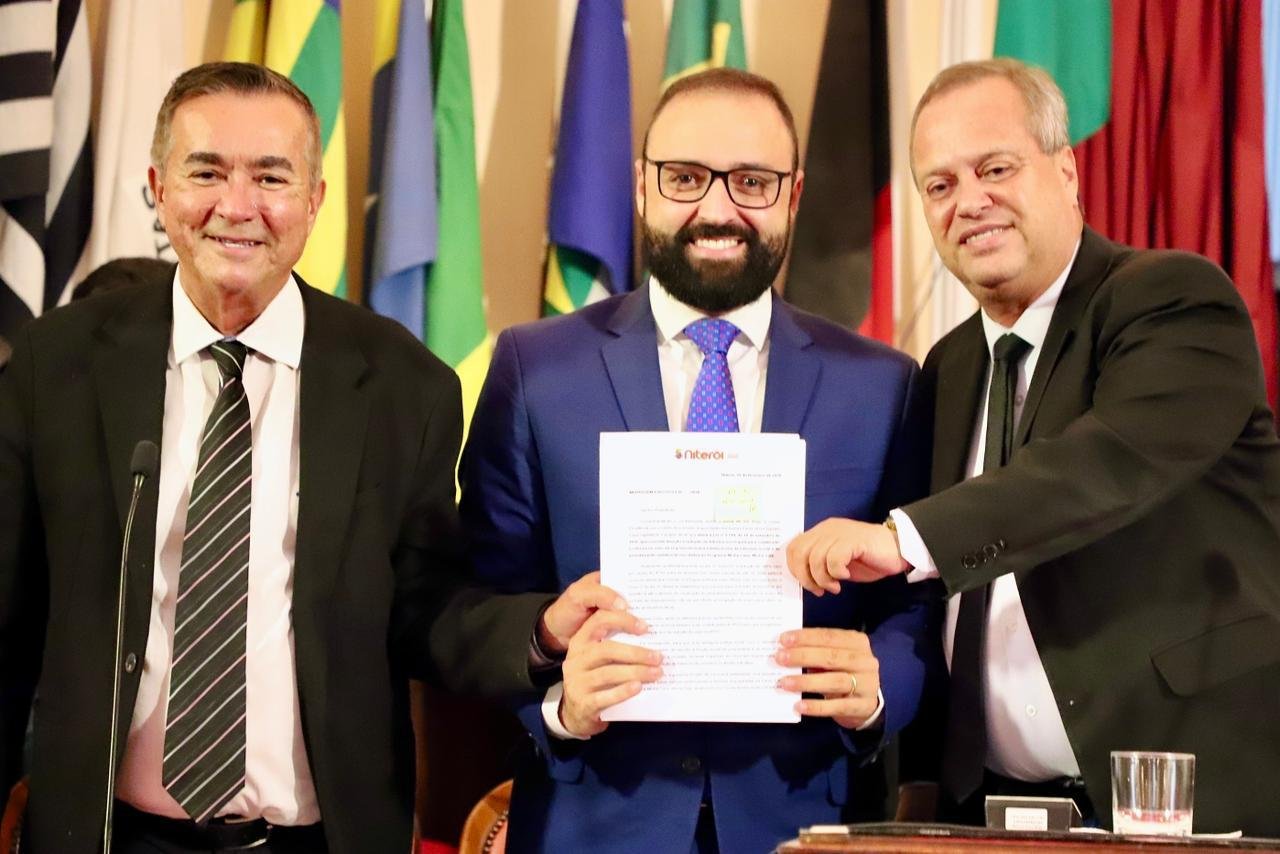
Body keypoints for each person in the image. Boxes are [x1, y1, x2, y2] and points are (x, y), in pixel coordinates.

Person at [0, 62, 553, 853]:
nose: (237, 206)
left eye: (270, 176)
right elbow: (8, 615)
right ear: (158, 188)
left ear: (315, 200)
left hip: (313, 840)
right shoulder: (57, 364)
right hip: (106, 833)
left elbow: (425, 608)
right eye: (206, 172)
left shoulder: (405, 386)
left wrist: (540, 632)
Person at [786, 58, 1280, 834]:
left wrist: (902, 538)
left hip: (1187, 802)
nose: (969, 201)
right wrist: (921, 779)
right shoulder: (945, 369)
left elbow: (1100, 467)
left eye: (995, 168)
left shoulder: (1172, 301)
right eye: (940, 185)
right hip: (986, 818)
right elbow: (934, 606)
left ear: (1067, 171)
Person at [459, 67, 942, 854]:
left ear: (793, 195)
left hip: (804, 818)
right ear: (641, 186)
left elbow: (915, 603)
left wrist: (881, 684)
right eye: (685, 178)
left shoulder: (881, 383)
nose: (717, 210)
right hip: (594, 821)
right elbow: (475, 600)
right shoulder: (536, 369)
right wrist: (556, 692)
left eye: (752, 181)